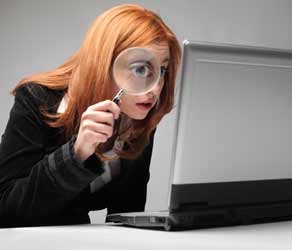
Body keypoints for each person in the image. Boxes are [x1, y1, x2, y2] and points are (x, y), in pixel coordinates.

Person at [0, 4, 181, 227]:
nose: (155, 89)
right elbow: (6, 209)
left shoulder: (138, 115)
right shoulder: (37, 99)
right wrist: (76, 154)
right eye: (141, 69)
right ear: (104, 63)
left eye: (162, 70)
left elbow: (126, 214)